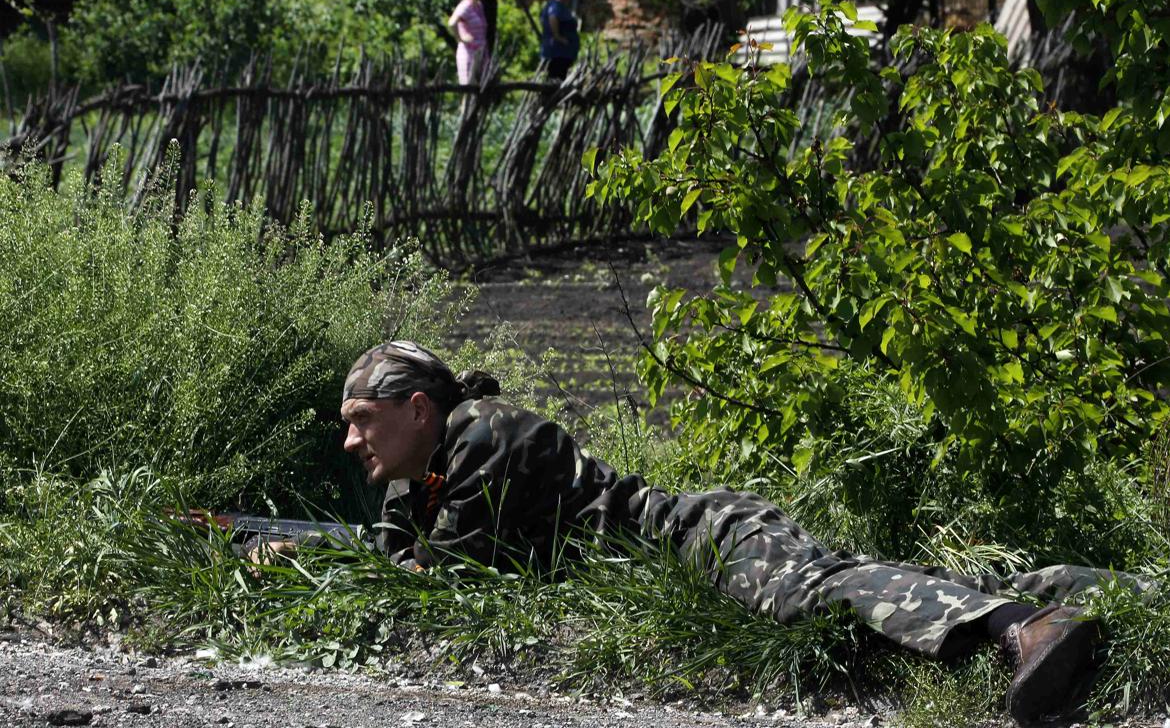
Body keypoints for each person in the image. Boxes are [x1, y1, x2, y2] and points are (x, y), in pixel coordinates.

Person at [333, 340, 1142, 723]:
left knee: (815, 589)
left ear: (417, 409)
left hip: (694, 540)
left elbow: (442, 581)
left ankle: (1028, 625)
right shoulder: (430, 473)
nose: (350, 440)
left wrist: (372, 541)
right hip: (685, 553)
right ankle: (1089, 592)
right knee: (856, 587)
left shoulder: (484, 433)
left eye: (361, 420)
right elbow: (411, 563)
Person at [448, 0, 489, 86]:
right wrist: (460, 38)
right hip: (469, 53)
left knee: (481, 88)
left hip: (481, 54)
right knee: (468, 87)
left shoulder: (479, 6)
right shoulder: (466, 5)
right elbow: (452, 23)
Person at [539, 0, 579, 80]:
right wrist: (558, 37)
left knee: (557, 81)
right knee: (555, 80)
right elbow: (553, 17)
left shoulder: (562, 7)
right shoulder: (555, 5)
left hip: (563, 54)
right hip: (557, 54)